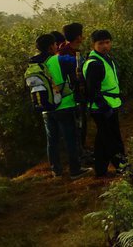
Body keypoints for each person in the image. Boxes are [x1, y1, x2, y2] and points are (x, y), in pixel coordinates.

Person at [30, 33, 86, 178]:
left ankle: (56, 171)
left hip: (46, 108)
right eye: (55, 44)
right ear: (50, 47)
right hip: (64, 105)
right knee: (71, 139)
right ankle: (75, 170)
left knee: (52, 141)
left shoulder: (34, 64)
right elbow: (80, 63)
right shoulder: (59, 60)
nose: (57, 46)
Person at [84, 29, 126, 177]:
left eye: (107, 42)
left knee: (103, 139)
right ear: (93, 45)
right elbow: (92, 90)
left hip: (110, 104)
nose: (105, 46)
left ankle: (100, 170)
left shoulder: (106, 58)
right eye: (100, 43)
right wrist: (104, 107)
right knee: (112, 139)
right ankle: (122, 166)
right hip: (102, 108)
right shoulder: (94, 63)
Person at [59, 22, 91, 167]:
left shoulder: (67, 51)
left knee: (80, 125)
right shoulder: (67, 54)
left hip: (77, 94)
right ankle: (80, 156)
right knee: (78, 127)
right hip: (73, 96)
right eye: (81, 34)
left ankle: (82, 151)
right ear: (78, 37)